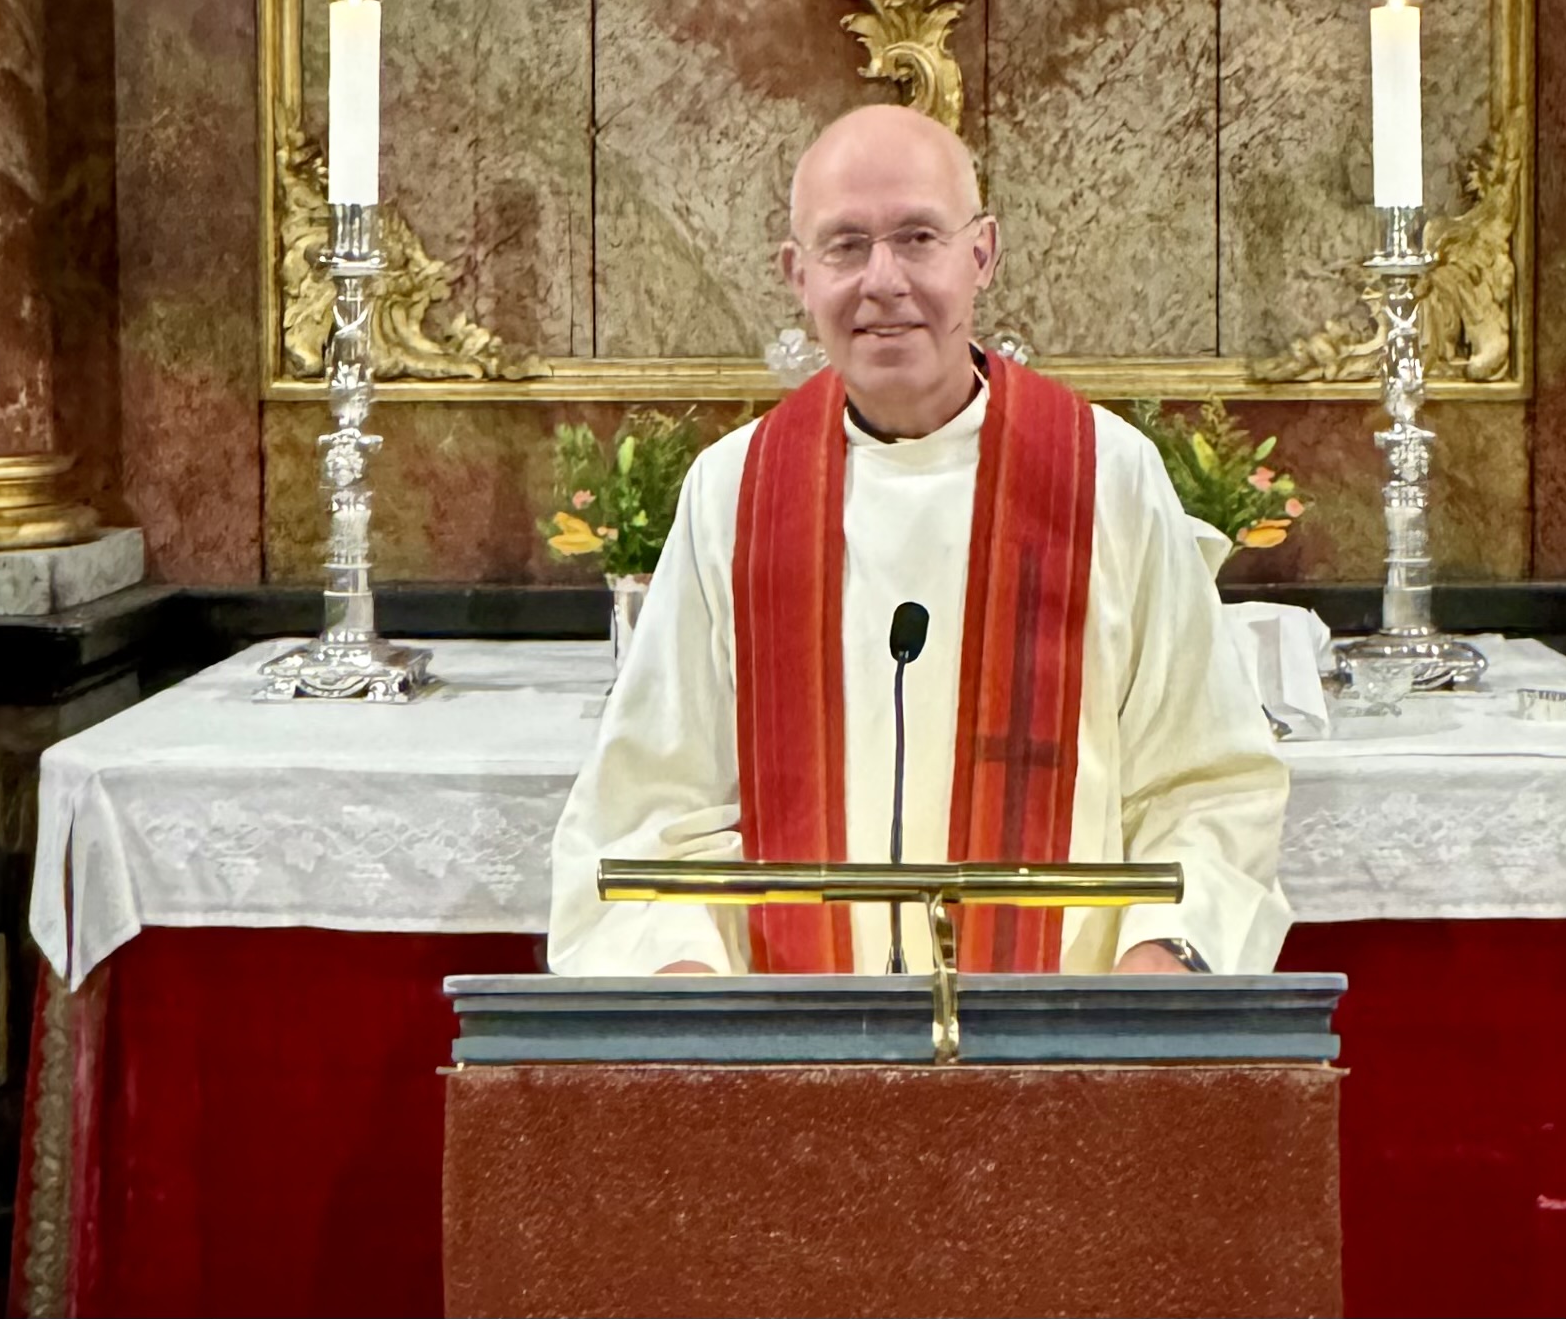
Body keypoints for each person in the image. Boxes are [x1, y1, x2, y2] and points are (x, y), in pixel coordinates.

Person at [548, 104, 1291, 975]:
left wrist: (1159, 966)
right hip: (789, 1058)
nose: (883, 279)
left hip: (1066, 1051)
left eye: (918, 237)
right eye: (846, 245)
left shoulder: (1104, 477)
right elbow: (652, 806)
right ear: (797, 273)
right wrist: (686, 984)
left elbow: (1207, 784)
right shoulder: (734, 491)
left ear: (982, 255)